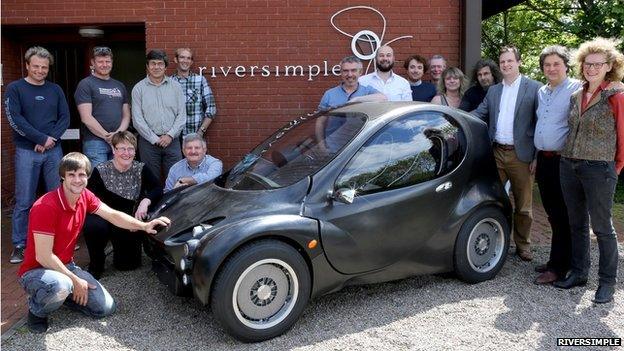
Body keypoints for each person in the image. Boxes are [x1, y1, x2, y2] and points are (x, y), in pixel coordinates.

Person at [18, 152, 170, 333]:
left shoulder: (85, 196)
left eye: (81, 174)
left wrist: (144, 226)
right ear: (62, 176)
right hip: (36, 270)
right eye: (71, 174)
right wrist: (75, 280)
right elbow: (43, 256)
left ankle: (65, 295)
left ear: (88, 177)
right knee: (60, 285)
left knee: (104, 308)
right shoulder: (45, 206)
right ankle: (37, 311)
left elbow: (113, 215)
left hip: (66, 266)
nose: (77, 180)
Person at [554, 37, 624, 304]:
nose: (591, 68)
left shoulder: (616, 95)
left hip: (599, 168)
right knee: (576, 223)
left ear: (609, 66)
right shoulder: (575, 95)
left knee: (603, 227)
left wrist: (615, 167)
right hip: (569, 164)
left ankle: (607, 282)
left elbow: (623, 135)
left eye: (598, 64)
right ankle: (579, 273)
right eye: (587, 63)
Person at [472, 45, 542, 262]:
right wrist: (453, 118)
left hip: (521, 156)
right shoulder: (494, 91)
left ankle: (523, 245)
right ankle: (494, 239)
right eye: (502, 61)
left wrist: (537, 156)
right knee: (489, 200)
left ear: (519, 62)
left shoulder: (534, 88)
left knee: (523, 206)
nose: (506, 64)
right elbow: (479, 113)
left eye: (510, 61)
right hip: (496, 154)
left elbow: (541, 123)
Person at [4, 46, 70, 264]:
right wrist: (40, 139)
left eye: (44, 67)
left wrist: (50, 139)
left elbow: (65, 118)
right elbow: (15, 119)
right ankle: (20, 245)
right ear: (27, 65)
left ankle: (59, 241)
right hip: (26, 151)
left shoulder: (55, 89)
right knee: (24, 200)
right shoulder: (15, 89)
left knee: (58, 197)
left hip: (54, 151)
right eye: (36, 66)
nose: (40, 70)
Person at [83, 131, 163, 278]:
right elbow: (88, 197)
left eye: (130, 149)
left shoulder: (141, 168)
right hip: (105, 216)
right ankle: (96, 264)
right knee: (93, 226)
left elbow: (157, 188)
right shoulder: (101, 170)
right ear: (113, 150)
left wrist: (145, 202)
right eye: (122, 148)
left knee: (127, 265)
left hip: (129, 218)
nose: (127, 153)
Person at [532, 46, 581, 285]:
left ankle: (559, 268)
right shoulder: (542, 91)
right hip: (544, 159)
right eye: (547, 65)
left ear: (566, 65)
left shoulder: (577, 88)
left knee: (562, 214)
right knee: (552, 213)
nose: (551, 68)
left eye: (556, 64)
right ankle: (558, 259)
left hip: (564, 161)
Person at [132, 49, 186, 182]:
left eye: (160, 64)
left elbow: (182, 115)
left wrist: (169, 135)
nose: (156, 67)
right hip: (148, 143)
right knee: (151, 181)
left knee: (176, 180)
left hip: (172, 142)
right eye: (153, 63)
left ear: (165, 66)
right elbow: (137, 119)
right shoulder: (138, 89)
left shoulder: (176, 87)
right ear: (147, 66)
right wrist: (154, 138)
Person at [75, 46, 131, 168]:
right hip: (95, 143)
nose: (104, 65)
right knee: (99, 181)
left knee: (119, 179)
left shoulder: (119, 85)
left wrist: (117, 134)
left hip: (119, 142)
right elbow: (86, 117)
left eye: (107, 61)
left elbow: (126, 115)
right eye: (100, 61)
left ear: (112, 62)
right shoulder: (85, 84)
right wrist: (107, 136)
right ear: (93, 63)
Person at [171, 48, 217, 136]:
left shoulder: (200, 80)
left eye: (188, 58)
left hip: (195, 135)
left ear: (191, 62)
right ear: (176, 60)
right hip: (174, 138)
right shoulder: (169, 82)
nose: (185, 61)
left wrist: (201, 131)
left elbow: (211, 108)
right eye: (182, 57)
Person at [318, 55, 387, 110]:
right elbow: (321, 120)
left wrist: (357, 99)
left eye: (353, 70)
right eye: (345, 71)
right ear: (341, 72)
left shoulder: (367, 91)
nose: (350, 75)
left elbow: (383, 98)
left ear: (360, 72)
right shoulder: (329, 94)